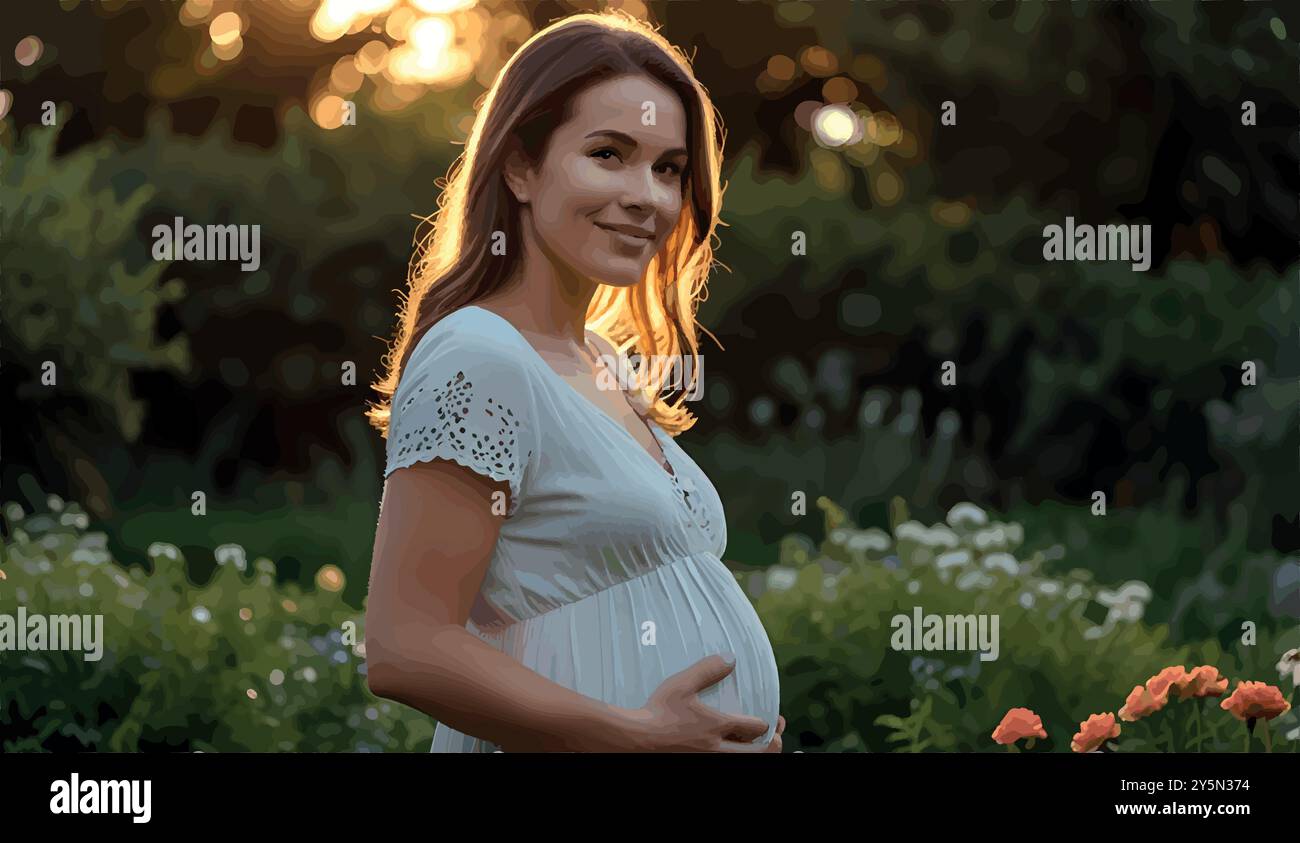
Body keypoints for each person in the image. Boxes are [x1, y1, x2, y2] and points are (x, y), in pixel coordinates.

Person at [364, 11, 784, 752]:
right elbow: (405, 645)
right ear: (521, 166)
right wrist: (636, 734)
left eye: (668, 169)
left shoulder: (601, 359)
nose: (646, 196)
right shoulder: (479, 356)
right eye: (608, 154)